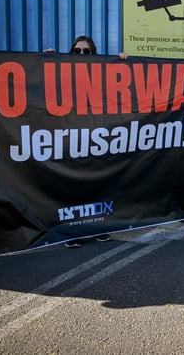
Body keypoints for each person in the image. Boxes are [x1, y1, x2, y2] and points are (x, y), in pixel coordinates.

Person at [63, 35, 126, 247]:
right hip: (69, 136)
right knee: (72, 184)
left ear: (93, 54)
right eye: (77, 51)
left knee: (96, 182)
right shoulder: (60, 71)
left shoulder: (102, 72)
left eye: (86, 51)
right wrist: (41, 61)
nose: (81, 54)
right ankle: (71, 232)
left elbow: (122, 83)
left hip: (96, 137)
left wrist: (121, 61)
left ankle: (97, 227)